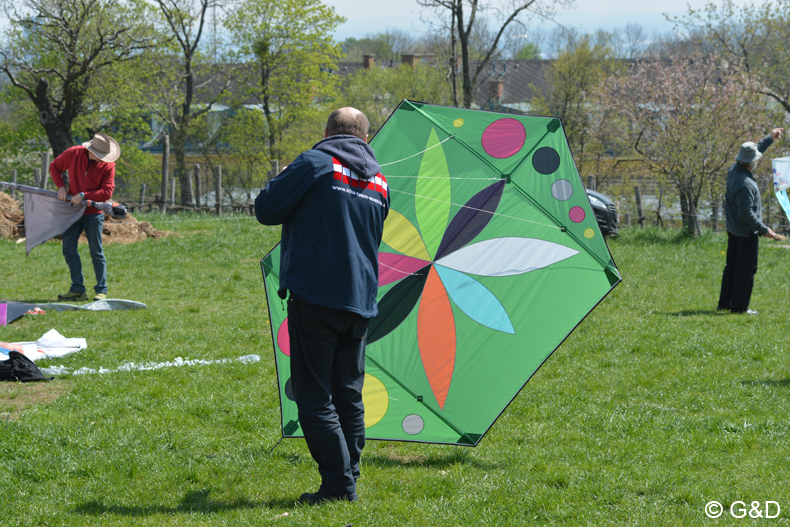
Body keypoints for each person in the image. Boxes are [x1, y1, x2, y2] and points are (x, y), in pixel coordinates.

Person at [255, 108, 390, 504]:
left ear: (327, 132)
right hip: (361, 300)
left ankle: (337, 486)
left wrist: (282, 178)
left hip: (317, 295)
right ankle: (349, 471)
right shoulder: (380, 180)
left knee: (315, 397)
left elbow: (266, 209)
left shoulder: (316, 162)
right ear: (366, 138)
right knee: (347, 393)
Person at [717, 128, 784, 315]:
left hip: (733, 228)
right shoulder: (745, 184)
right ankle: (739, 308)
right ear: (751, 163)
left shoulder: (734, 168)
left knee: (732, 267)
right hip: (746, 232)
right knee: (746, 269)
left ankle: (725, 303)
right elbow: (746, 213)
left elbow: (756, 151)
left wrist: (770, 138)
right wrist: (764, 230)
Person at [50, 133, 121, 302]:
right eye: (100, 156)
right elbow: (54, 167)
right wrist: (61, 187)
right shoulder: (73, 153)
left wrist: (83, 195)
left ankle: (101, 290)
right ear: (91, 150)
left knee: (96, 252)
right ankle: (77, 290)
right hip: (73, 211)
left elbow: (106, 193)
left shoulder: (109, 165)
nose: (103, 160)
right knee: (68, 249)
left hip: (93, 214)